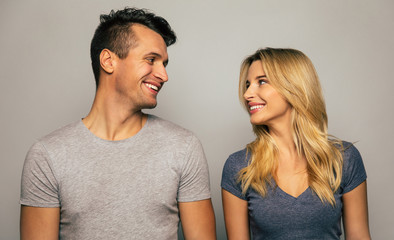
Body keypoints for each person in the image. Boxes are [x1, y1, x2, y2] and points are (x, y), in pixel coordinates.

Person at [20, 7, 216, 239]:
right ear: (108, 61)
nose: (164, 75)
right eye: (151, 60)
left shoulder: (183, 147)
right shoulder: (47, 155)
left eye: (164, 63)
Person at [221, 48, 371, 239]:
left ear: (294, 87)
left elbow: (359, 236)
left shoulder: (344, 158)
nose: (247, 94)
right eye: (248, 85)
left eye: (262, 82)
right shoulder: (240, 166)